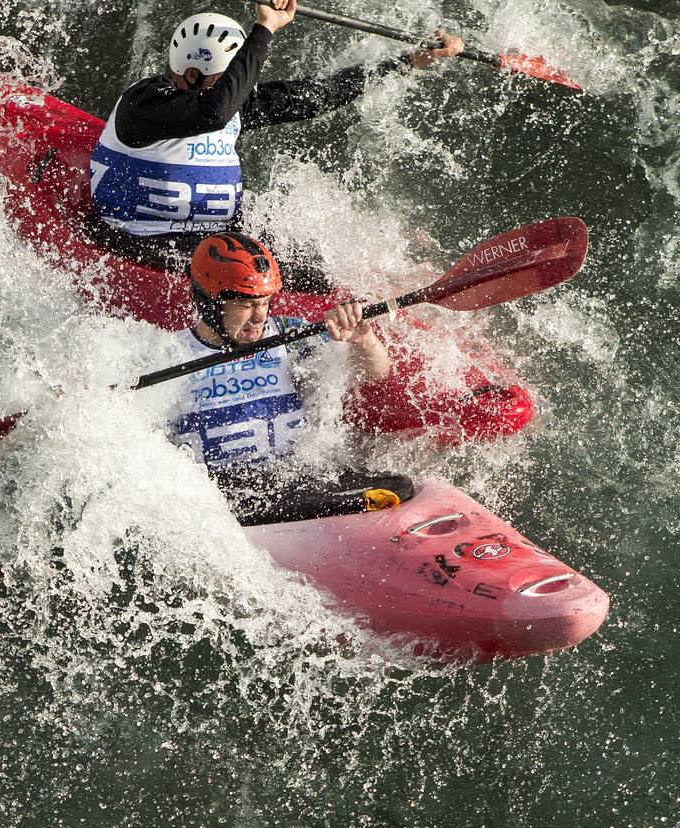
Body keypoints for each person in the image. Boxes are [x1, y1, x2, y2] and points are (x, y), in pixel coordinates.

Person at [89, 1, 466, 272]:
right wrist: (264, 29)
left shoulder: (228, 105)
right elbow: (214, 111)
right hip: (142, 243)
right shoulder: (145, 104)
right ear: (192, 76)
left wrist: (406, 62)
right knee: (251, 274)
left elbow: (316, 96)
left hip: (212, 241)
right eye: (230, 79)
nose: (239, 90)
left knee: (322, 269)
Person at [167, 231, 409, 525]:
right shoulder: (168, 355)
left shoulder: (289, 336)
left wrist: (363, 340)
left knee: (400, 486)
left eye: (264, 302)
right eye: (245, 305)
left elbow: (374, 373)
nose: (259, 317)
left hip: (297, 480)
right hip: (222, 496)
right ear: (208, 302)